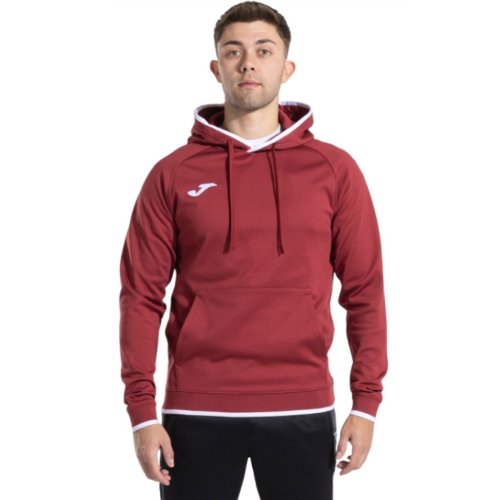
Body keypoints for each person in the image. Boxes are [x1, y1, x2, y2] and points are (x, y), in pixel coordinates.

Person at [118, 2, 388, 499]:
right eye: (234, 51)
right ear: (216, 67)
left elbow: (364, 290)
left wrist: (366, 403)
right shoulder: (173, 173)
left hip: (302, 404)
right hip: (196, 407)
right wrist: (141, 413)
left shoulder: (334, 170)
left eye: (264, 51)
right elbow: (140, 295)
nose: (248, 63)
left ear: (287, 67)